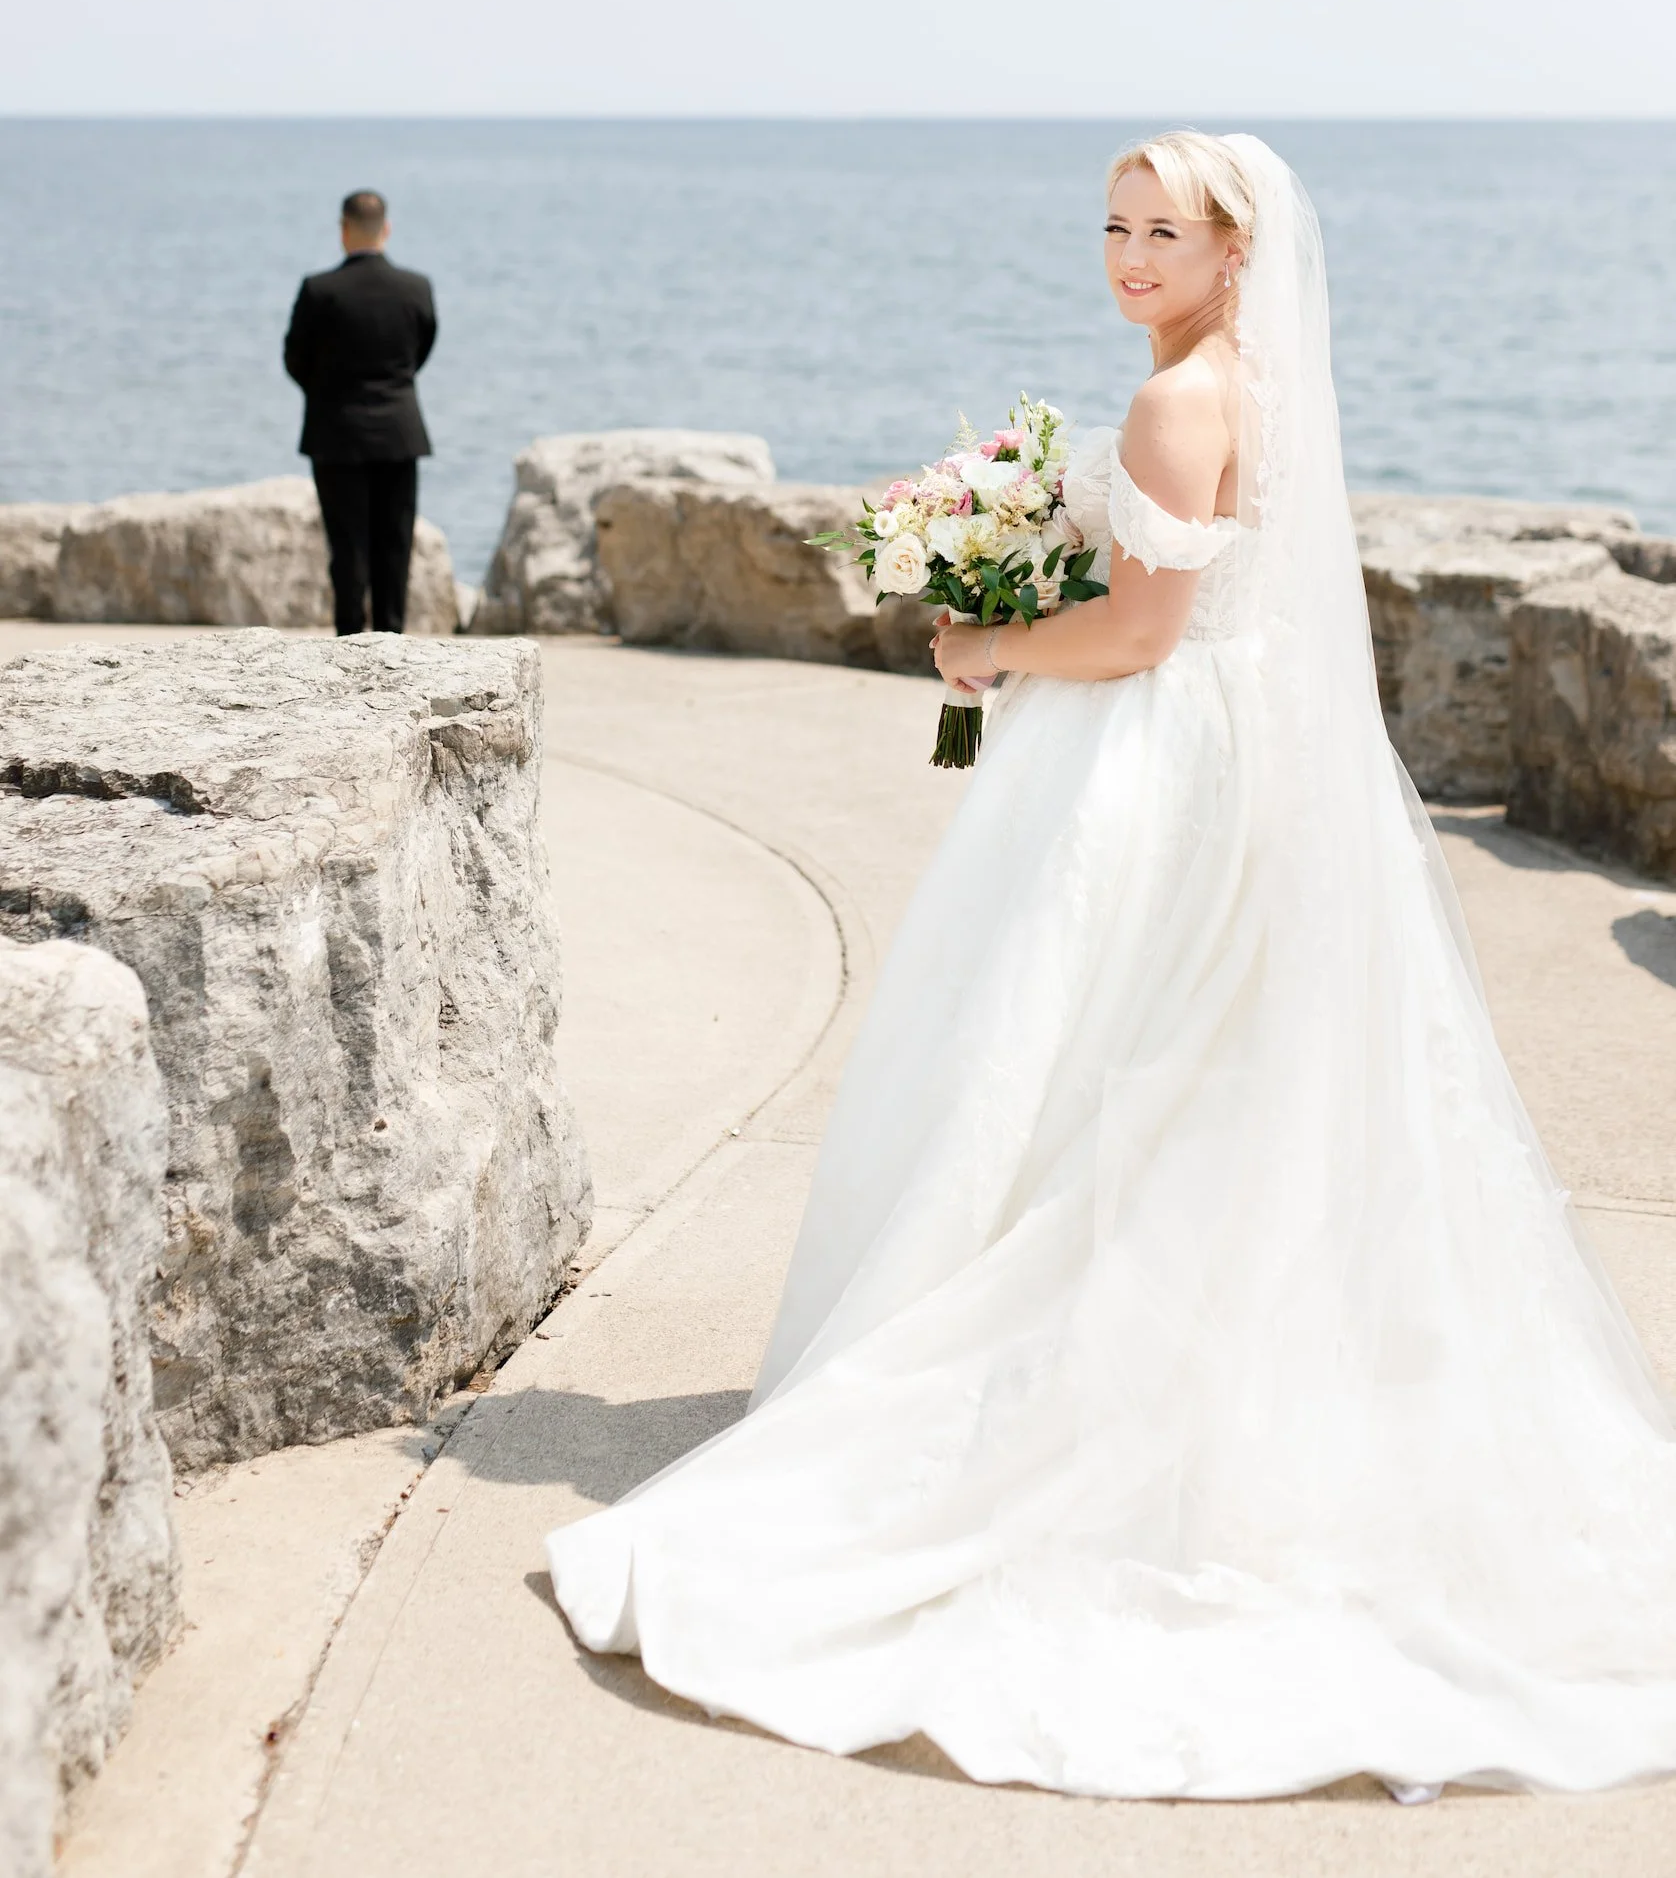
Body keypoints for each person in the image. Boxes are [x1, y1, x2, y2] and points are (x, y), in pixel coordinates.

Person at [546, 133, 1676, 1802]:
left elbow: (1142, 633)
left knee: (1084, 1067)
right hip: (1258, 758)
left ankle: (1078, 1406)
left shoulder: (1170, 405)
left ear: (1234, 252)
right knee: (1207, 1082)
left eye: (1164, 231)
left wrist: (990, 638)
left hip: (1156, 762)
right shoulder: (1259, 389)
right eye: (1112, 224)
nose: (1128, 253)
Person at [283, 190, 436, 635]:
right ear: (386, 229)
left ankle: (349, 642)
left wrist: (331, 392)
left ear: (343, 230)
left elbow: (296, 360)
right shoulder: (416, 288)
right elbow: (420, 351)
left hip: (336, 432)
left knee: (347, 547)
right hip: (399, 431)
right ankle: (394, 640)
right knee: (395, 546)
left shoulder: (319, 291)